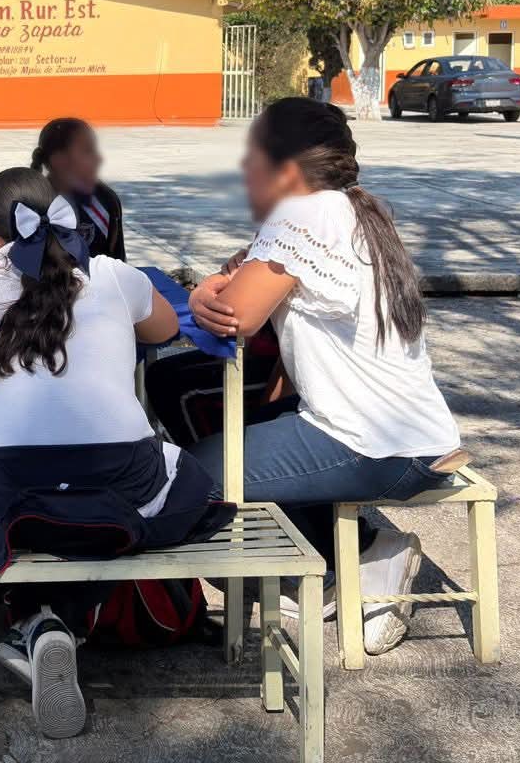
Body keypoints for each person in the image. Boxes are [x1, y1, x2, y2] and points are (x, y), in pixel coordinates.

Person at [0, 167, 229, 740]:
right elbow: (164, 328)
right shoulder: (112, 276)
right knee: (188, 479)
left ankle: (38, 620)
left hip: (14, 510)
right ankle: (61, 621)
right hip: (120, 495)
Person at [182, 96, 462, 655]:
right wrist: (233, 278)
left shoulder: (302, 214)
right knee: (253, 422)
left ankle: (342, 564)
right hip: (413, 436)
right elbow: (249, 276)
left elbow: (234, 316)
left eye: (254, 155)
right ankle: (348, 554)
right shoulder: (353, 211)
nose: (245, 169)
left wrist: (200, 292)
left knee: (189, 482)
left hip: (371, 445)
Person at [31, 117, 126, 261]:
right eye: (88, 151)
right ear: (59, 160)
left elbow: (116, 259)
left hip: (96, 283)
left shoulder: (106, 200)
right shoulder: (32, 202)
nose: (99, 158)